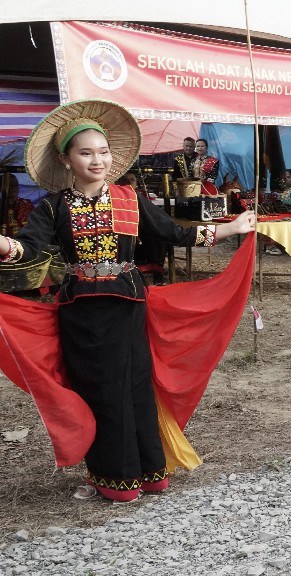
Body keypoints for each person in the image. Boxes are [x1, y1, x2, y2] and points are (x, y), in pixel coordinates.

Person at [0, 99, 256, 501]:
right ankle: (118, 477)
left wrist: (232, 229)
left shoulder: (130, 198)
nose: (96, 160)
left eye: (102, 152)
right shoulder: (51, 207)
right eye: (85, 153)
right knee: (99, 389)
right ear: (66, 159)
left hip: (128, 304)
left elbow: (173, 233)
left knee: (134, 385)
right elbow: (30, 251)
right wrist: (5, 246)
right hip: (80, 313)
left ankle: (145, 471)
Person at [116, 172, 168, 285]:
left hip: (147, 233)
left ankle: (157, 272)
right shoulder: (116, 198)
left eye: (132, 180)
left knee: (160, 236)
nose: (129, 182)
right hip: (129, 237)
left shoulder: (141, 196)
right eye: (126, 180)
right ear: (119, 182)